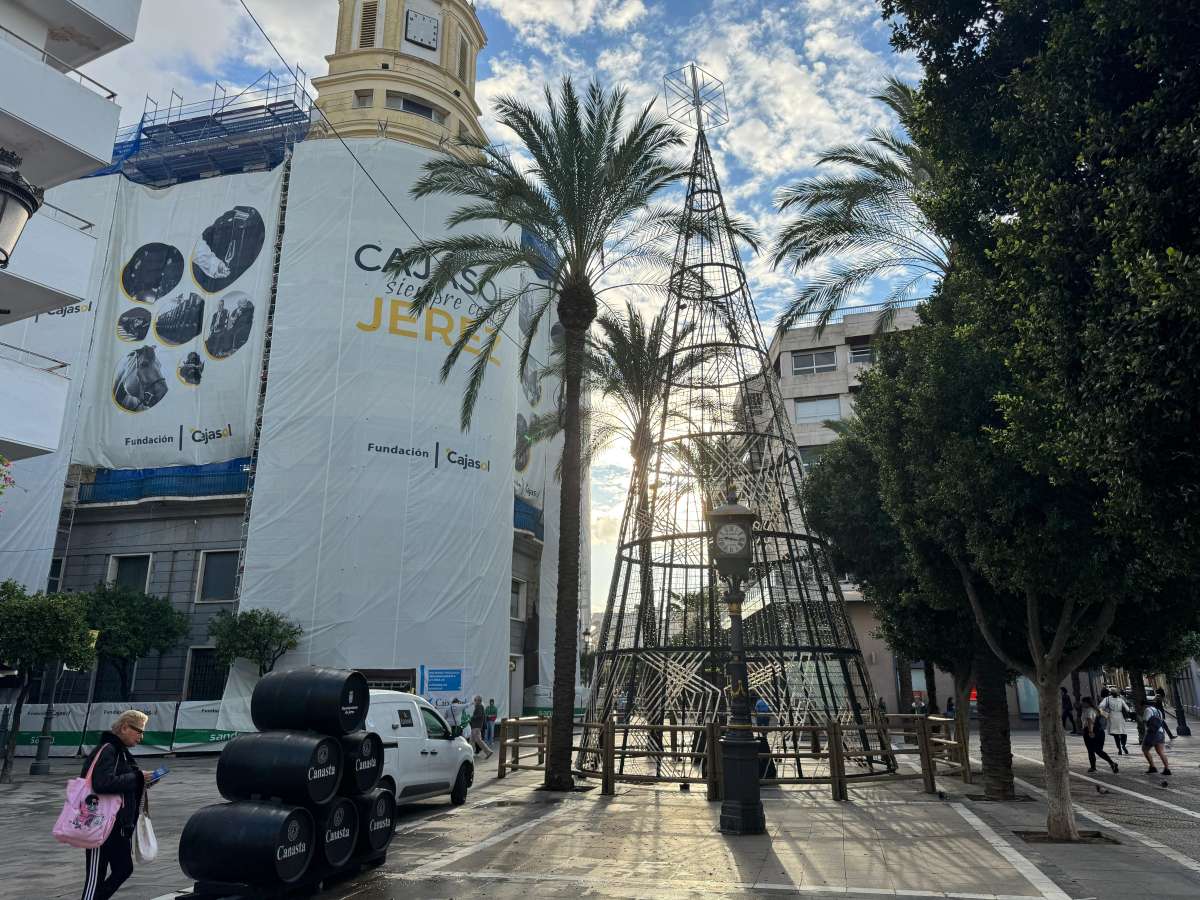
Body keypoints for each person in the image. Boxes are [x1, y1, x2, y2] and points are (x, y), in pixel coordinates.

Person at [78, 710, 150, 900]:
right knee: (95, 877)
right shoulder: (109, 749)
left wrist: (143, 780)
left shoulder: (121, 753)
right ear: (125, 727)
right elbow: (102, 783)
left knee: (124, 868)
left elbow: (124, 782)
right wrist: (137, 777)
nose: (141, 737)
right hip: (100, 824)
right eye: (139, 731)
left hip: (117, 825)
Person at [1079, 697, 1118, 773]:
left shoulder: (1088, 710)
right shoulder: (1097, 709)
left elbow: (1090, 721)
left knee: (1091, 750)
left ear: (1087, 703)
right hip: (1100, 731)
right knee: (1098, 750)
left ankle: (1095, 767)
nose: (1082, 704)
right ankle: (1110, 763)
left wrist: (1090, 731)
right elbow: (1107, 715)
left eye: (1083, 702)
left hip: (1090, 731)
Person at [1141, 701, 1171, 775]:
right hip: (1160, 732)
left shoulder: (1147, 710)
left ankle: (1152, 767)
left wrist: (1145, 733)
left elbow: (1145, 721)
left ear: (1145, 705)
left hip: (1152, 733)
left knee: (1145, 749)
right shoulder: (1158, 711)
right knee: (1161, 752)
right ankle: (1167, 769)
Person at [1099, 688, 1131, 755]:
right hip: (1120, 717)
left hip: (1112, 717)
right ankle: (1123, 745)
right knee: (1123, 733)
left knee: (1116, 735)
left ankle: (1119, 749)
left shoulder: (1107, 699)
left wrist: (1105, 714)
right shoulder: (1120, 699)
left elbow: (1100, 707)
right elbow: (1128, 709)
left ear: (1110, 693)